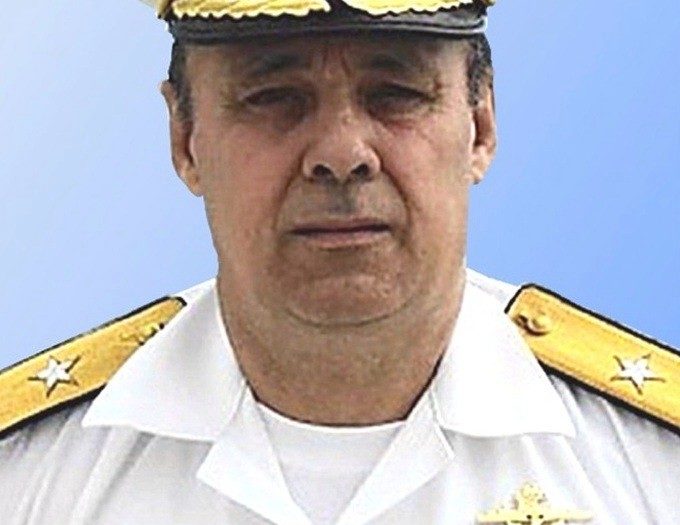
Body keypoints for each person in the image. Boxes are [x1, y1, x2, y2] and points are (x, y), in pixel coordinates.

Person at [1, 0, 678, 523]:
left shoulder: (654, 465)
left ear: (481, 125)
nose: (342, 152)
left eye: (396, 92)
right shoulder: (27, 475)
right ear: (184, 138)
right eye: (274, 97)